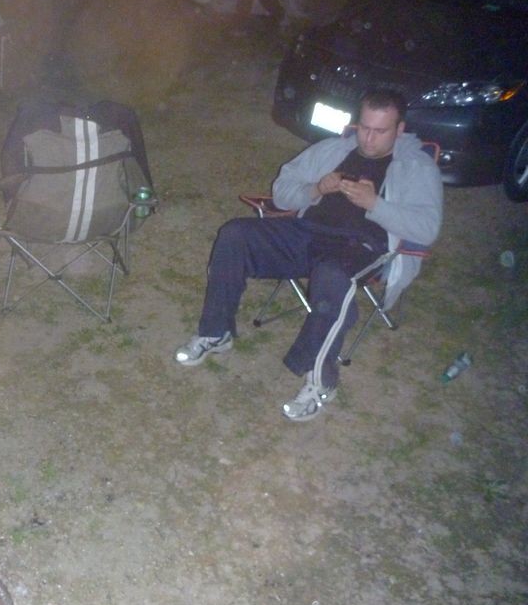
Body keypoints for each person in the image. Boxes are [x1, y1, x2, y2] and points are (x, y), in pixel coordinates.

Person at [174, 88, 443, 421]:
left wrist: (375, 204)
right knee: (235, 235)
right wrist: (315, 189)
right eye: (364, 127)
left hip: (360, 247)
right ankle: (216, 332)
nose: (368, 138)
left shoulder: (416, 167)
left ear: (400, 129)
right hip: (306, 234)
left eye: (380, 131)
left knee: (332, 278)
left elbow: (426, 229)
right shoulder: (333, 150)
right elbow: (282, 194)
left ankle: (322, 381)